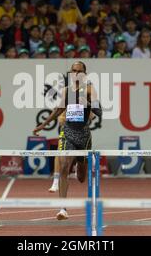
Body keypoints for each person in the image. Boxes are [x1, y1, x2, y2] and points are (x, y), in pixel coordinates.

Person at [33, 61, 102, 220]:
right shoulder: (66, 91)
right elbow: (58, 110)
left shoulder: (90, 89)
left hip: (83, 135)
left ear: (85, 73)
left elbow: (99, 111)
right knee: (63, 166)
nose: (76, 73)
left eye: (79, 71)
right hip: (68, 132)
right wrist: (42, 125)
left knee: (81, 177)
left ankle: (80, 162)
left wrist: (89, 103)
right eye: (74, 71)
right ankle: (62, 209)